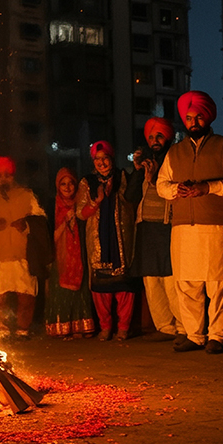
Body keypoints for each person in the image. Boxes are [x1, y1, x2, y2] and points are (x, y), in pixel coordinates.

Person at [157, 91, 223, 353]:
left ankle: (217, 336)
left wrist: (207, 188)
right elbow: (161, 185)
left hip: (217, 226)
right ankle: (195, 335)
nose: (193, 122)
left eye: (198, 117)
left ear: (207, 118)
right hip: (183, 227)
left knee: (218, 284)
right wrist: (177, 190)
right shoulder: (174, 152)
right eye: (188, 118)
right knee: (187, 284)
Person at [125, 117, 185, 341]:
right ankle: (164, 327)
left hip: (167, 225)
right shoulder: (146, 162)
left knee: (171, 279)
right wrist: (138, 170)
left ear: (168, 137)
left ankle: (183, 326)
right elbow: (130, 196)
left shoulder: (176, 159)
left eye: (159, 135)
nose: (155, 140)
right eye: (151, 137)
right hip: (146, 228)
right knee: (151, 280)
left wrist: (155, 177)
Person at [76, 141, 136, 341]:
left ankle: (123, 328)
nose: (102, 162)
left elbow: (132, 201)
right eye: (97, 159)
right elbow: (80, 213)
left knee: (124, 287)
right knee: (101, 289)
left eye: (105, 158)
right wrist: (97, 202)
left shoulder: (123, 177)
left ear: (112, 158)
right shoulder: (86, 182)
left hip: (121, 240)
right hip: (99, 242)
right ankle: (105, 327)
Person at [0, 156, 46, 337]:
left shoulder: (26, 195)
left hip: (23, 254)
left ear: (13, 175)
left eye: (7, 175)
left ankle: (22, 330)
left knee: (25, 296)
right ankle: (0, 329)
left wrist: (26, 225)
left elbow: (41, 221)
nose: (3, 178)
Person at [45, 168, 95, 338]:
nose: (67, 187)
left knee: (80, 292)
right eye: (63, 184)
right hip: (60, 259)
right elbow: (49, 236)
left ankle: (81, 326)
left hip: (80, 255)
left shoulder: (81, 203)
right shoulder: (52, 205)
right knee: (62, 294)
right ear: (57, 186)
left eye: (71, 183)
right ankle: (62, 327)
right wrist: (66, 221)